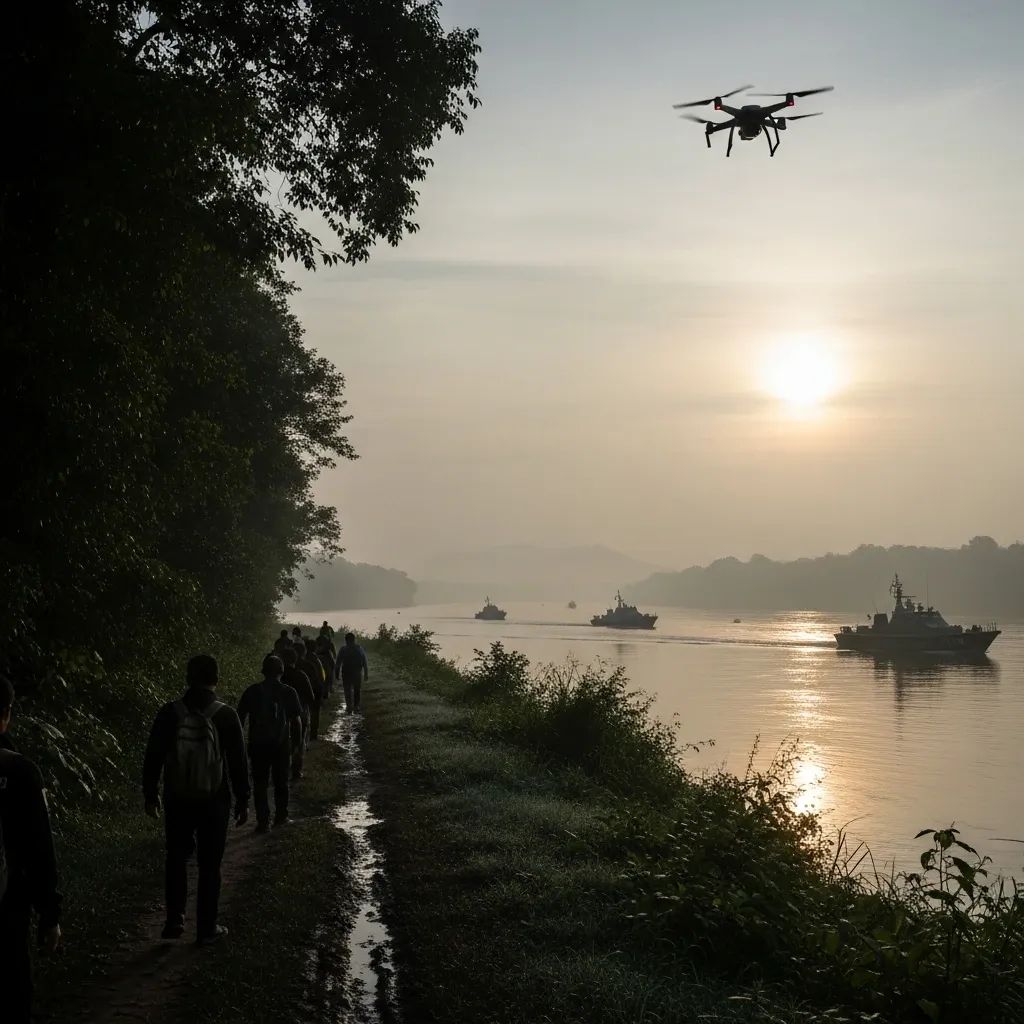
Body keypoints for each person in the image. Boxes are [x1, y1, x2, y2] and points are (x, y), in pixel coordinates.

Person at [142, 654, 249, 945]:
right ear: (216, 679)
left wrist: (150, 794)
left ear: (188, 678)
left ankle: (174, 919)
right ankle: (206, 928)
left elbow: (153, 756)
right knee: (209, 864)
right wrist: (243, 799)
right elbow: (239, 762)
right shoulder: (226, 715)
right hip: (214, 800)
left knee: (176, 857)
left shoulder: (169, 713)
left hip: (177, 797)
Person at [0, 675, 62, 1024]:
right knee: (13, 983)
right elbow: (40, 845)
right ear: (6, 712)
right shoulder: (20, 769)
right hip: (10, 900)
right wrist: (49, 912)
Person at [237, 656, 302, 833]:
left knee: (260, 783)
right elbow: (296, 722)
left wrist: (241, 744)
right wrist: (297, 746)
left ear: (263, 671)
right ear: (281, 671)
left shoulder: (252, 691)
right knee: (281, 781)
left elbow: (239, 719)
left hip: (257, 745)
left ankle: (262, 822)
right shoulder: (289, 692)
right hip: (281, 745)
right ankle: (281, 817)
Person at [280, 648, 315, 779]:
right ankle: (296, 770)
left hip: (282, 714)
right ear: (295, 660)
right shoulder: (301, 675)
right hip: (301, 712)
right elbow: (311, 697)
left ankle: (281, 768)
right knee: (299, 742)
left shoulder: (279, 676)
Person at [296, 640, 327, 741]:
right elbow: (322, 677)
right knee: (314, 714)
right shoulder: (315, 660)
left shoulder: (295, 662)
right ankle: (313, 734)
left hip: (300, 693)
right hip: (314, 690)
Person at [335, 632, 369, 714]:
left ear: (346, 640)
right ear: (354, 640)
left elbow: (338, 663)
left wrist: (336, 673)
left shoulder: (343, 649)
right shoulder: (359, 649)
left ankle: (349, 706)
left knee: (348, 690)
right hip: (356, 673)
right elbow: (364, 662)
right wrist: (366, 673)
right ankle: (355, 706)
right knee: (356, 690)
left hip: (347, 673)